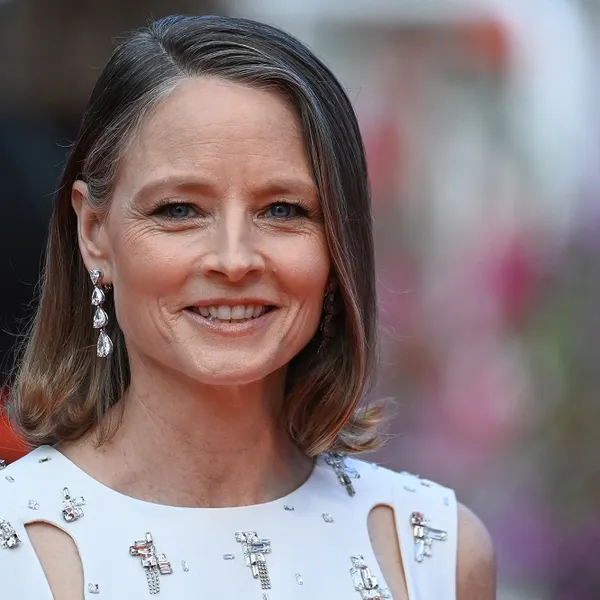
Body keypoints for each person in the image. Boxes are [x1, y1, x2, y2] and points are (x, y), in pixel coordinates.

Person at [0, 15, 495, 599]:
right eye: (180, 210)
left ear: (338, 244)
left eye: (283, 210)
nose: (234, 260)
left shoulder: (432, 551)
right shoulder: (17, 543)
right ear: (94, 233)